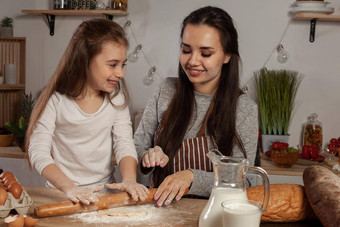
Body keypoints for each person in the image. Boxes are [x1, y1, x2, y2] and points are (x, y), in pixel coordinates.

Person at [134, 6, 258, 206]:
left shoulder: (243, 108)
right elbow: (137, 145)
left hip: (212, 214)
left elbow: (246, 179)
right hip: (156, 211)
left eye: (205, 53)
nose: (192, 61)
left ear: (227, 56)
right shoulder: (166, 90)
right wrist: (146, 156)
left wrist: (192, 177)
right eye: (186, 50)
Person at [26, 18, 149, 205]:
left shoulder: (116, 99)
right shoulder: (56, 100)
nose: (121, 73)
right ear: (85, 60)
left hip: (106, 195)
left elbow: (124, 143)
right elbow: (38, 151)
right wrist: (70, 188)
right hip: (63, 196)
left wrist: (130, 180)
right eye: (113, 64)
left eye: (123, 64)